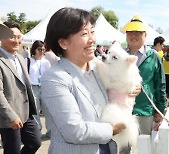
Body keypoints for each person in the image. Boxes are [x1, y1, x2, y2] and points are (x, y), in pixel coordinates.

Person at [40, 7, 141, 154]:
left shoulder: (97, 67)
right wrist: (112, 129)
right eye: (84, 34)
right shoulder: (55, 78)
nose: (92, 39)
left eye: (92, 32)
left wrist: (131, 87)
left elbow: (121, 80)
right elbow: (74, 130)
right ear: (63, 43)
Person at [0, 21, 41, 154]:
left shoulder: (21, 58)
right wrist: (11, 116)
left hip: (26, 112)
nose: (17, 40)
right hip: (9, 116)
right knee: (12, 151)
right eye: (12, 36)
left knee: (35, 142)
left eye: (19, 37)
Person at [121, 15, 166, 135]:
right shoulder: (119, 55)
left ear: (145, 35)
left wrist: (159, 110)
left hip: (144, 111)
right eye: (130, 32)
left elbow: (160, 84)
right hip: (121, 109)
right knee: (122, 149)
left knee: (143, 145)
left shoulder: (153, 56)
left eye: (138, 32)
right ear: (126, 35)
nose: (133, 35)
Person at [25, 40, 50, 132]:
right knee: (35, 111)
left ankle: (50, 130)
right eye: (40, 49)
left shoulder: (46, 62)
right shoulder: (28, 61)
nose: (42, 52)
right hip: (33, 87)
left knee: (48, 110)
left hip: (45, 87)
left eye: (44, 49)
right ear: (34, 50)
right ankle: (37, 130)